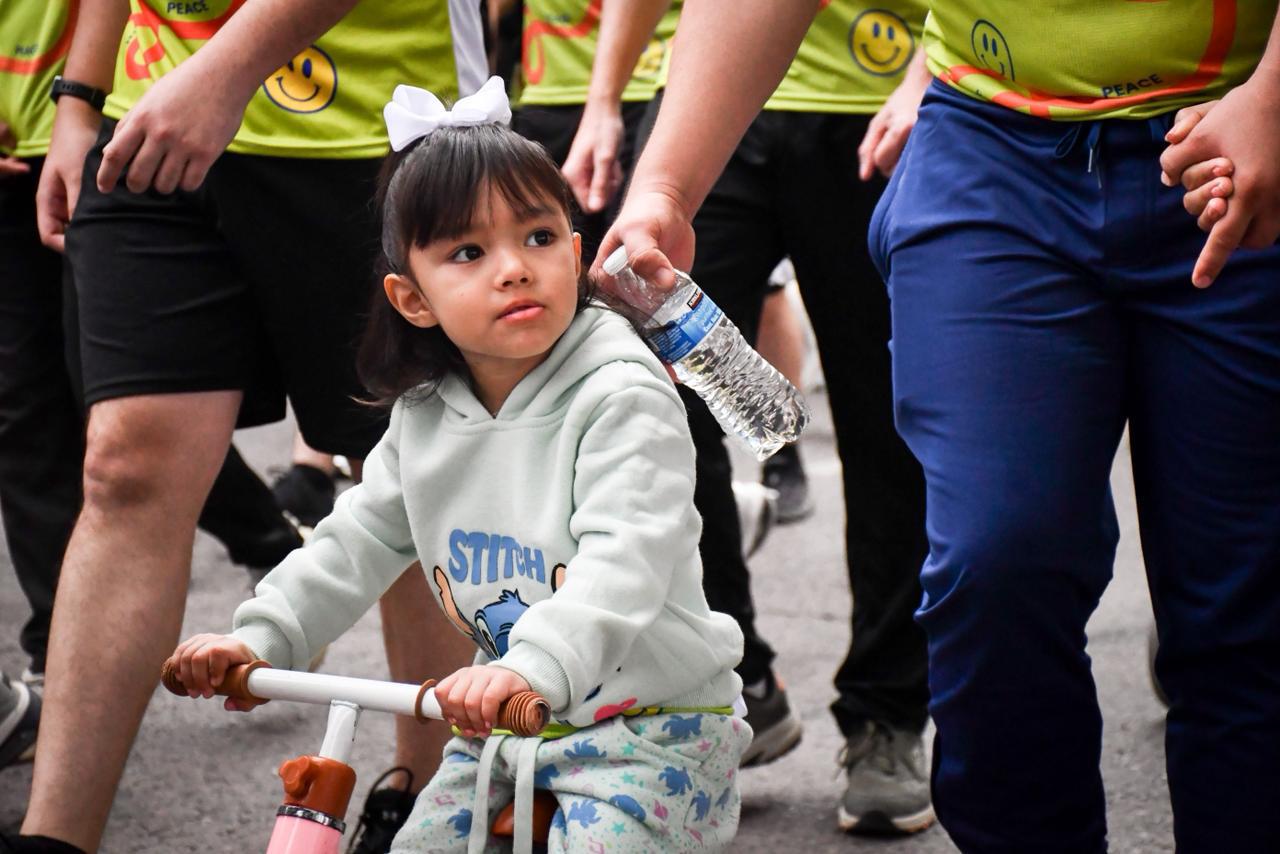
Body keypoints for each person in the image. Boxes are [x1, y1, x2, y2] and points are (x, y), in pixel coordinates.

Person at [597, 0, 1280, 851]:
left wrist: (1272, 98)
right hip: (996, 146)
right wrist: (666, 186)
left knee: (1246, 612)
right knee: (995, 567)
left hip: (1234, 132)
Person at [170, 83, 749, 853]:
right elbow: (356, 539)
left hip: (651, 727)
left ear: (577, 255)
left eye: (538, 237)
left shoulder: (621, 393)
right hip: (503, 723)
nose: (513, 269)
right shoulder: (426, 411)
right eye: (468, 253)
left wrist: (531, 668)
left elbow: (626, 562)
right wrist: (263, 637)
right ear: (412, 299)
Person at [15, 2, 485, 852]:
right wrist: (78, 101)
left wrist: (227, 73)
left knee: (410, 474)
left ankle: (426, 807)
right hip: (154, 115)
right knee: (125, 471)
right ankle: (55, 838)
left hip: (377, 127)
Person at [571, 0, 935, 828]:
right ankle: (730, 684)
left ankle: (887, 715)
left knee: (888, 423)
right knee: (648, 408)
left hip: (875, 102)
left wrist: (932, 75)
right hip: (711, 102)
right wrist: (605, 99)